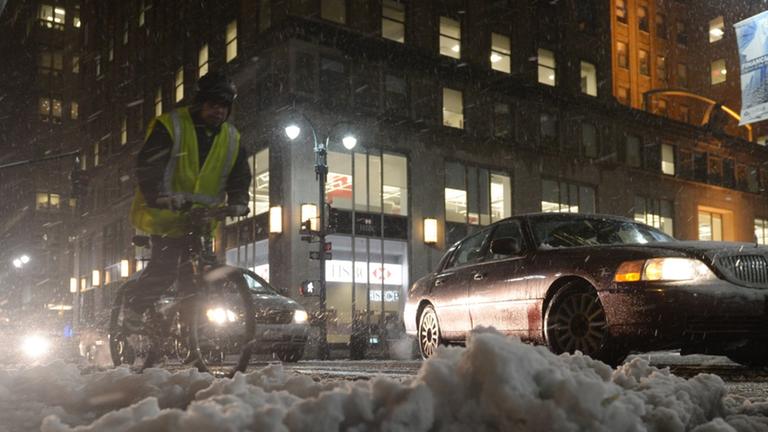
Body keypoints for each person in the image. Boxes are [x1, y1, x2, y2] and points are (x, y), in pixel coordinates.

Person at [125, 71, 252, 362]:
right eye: (212, 104)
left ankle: (192, 339)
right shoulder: (172, 125)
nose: (218, 110)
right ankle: (134, 308)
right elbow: (148, 165)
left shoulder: (232, 138)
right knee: (165, 269)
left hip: (202, 219)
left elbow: (239, 175)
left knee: (196, 279)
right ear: (199, 103)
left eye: (223, 105)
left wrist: (239, 201)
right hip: (165, 216)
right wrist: (159, 194)